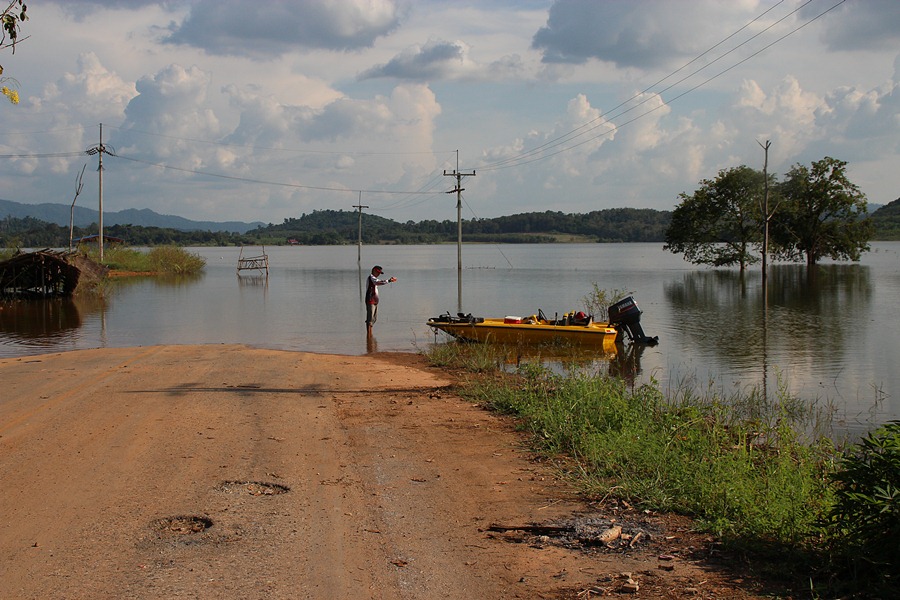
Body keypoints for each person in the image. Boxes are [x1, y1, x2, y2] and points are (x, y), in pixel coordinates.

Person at [365, 265, 396, 334]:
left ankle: (370, 336)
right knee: (370, 319)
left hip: (375, 301)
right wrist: (389, 280)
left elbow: (377, 283)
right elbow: (378, 282)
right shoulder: (371, 278)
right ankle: (368, 335)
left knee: (374, 319)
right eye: (377, 272)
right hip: (370, 300)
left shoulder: (373, 278)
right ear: (373, 271)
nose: (379, 274)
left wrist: (389, 281)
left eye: (379, 273)